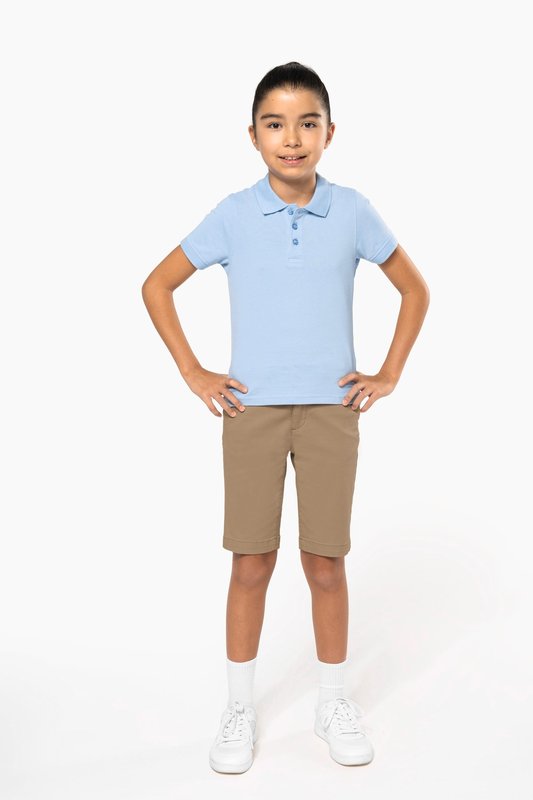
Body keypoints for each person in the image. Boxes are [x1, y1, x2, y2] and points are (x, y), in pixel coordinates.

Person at [141, 61, 430, 773]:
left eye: (307, 124)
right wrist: (193, 371)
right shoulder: (233, 215)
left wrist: (388, 373)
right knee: (251, 561)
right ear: (253, 135)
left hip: (333, 410)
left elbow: (413, 289)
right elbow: (157, 284)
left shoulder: (352, 210)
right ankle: (239, 708)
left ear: (330, 133)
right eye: (275, 124)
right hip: (250, 412)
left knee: (325, 562)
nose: (291, 138)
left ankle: (333, 702)